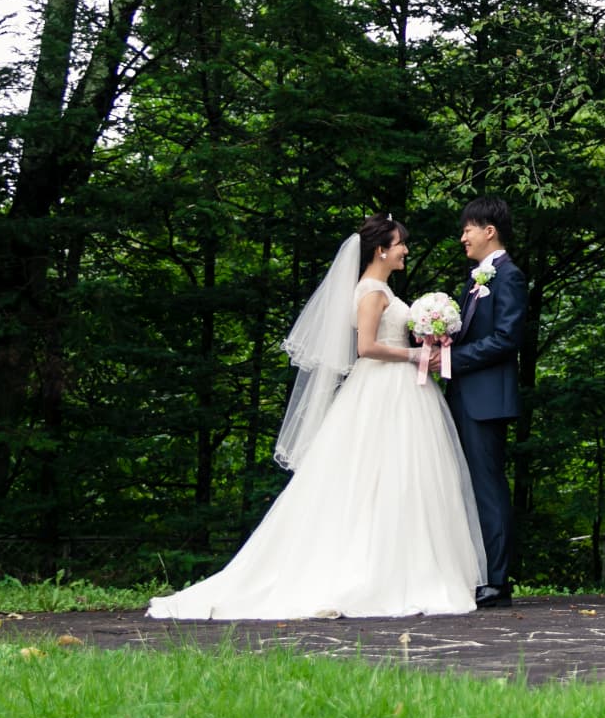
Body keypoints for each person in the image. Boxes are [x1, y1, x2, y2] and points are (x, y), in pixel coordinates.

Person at [147, 215, 487, 619]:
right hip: (381, 389)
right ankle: (379, 572)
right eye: (400, 244)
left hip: (399, 391)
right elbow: (365, 347)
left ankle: (404, 565)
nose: (405, 250)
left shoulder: (380, 289)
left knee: (404, 477)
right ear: (381, 249)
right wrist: (415, 353)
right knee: (377, 475)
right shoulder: (372, 291)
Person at [442, 196, 527, 608]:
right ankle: (473, 573)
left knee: (488, 488)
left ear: (488, 230)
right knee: (463, 487)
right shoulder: (476, 279)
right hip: (462, 396)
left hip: (487, 398)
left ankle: (497, 580)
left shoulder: (508, 277)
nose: (463, 238)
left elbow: (507, 338)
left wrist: (451, 359)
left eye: (467, 229)